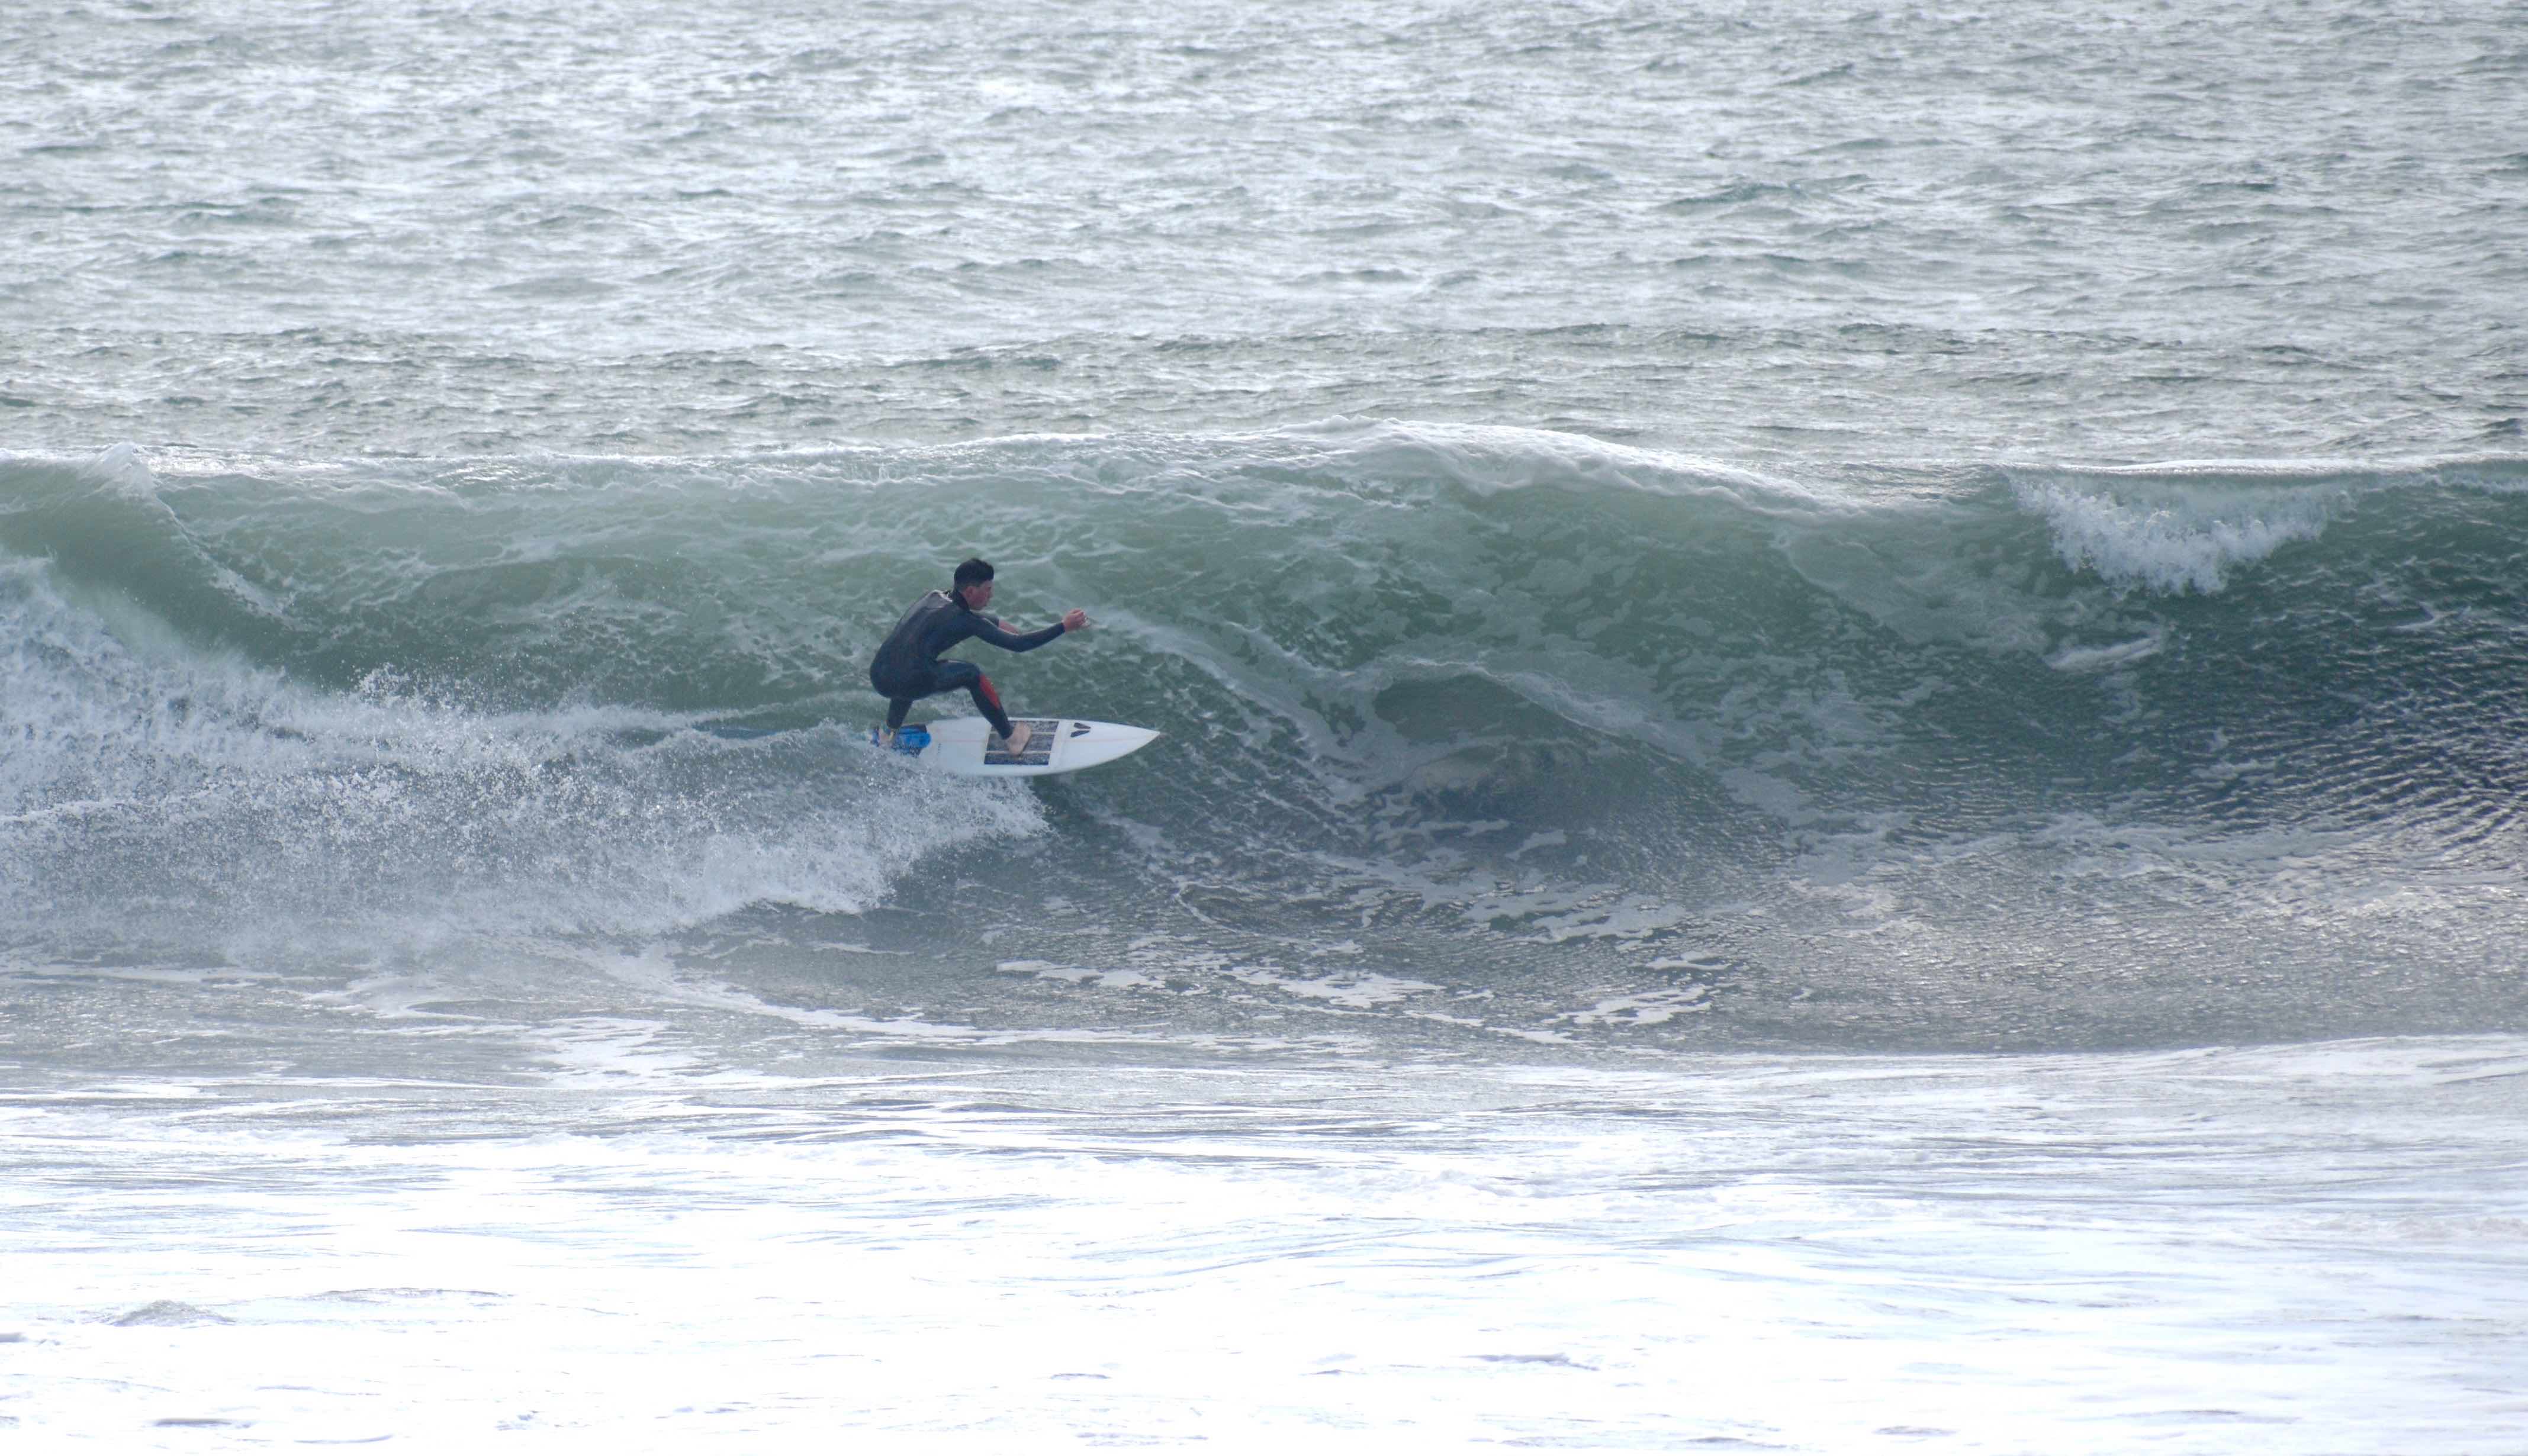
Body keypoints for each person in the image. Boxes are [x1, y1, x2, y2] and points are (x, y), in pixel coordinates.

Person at [868, 557, 1088, 756]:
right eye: (988, 590)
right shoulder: (968, 622)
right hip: (908, 682)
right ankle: (1012, 739)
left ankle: (889, 733)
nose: (991, 596)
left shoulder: (932, 596)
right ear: (971, 591)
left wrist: (995, 623)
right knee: (971, 675)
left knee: (909, 664)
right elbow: (1019, 645)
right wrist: (1064, 626)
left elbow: (960, 615)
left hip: (880, 675)